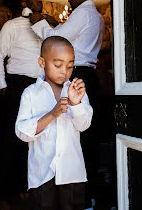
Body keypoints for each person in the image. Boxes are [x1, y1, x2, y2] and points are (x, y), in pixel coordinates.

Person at [29, 0, 104, 209]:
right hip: (88, 73)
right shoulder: (97, 16)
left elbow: (58, 39)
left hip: (78, 73)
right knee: (85, 134)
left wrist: (39, 22)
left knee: (73, 132)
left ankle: (72, 192)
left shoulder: (83, 13)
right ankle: (87, 194)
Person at [15, 36, 93, 210]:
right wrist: (51, 114)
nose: (64, 71)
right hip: (42, 175)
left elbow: (84, 125)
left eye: (70, 65)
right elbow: (22, 132)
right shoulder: (30, 94)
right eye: (58, 65)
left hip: (72, 173)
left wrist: (76, 104)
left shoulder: (77, 91)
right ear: (42, 62)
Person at [0, 0, 52, 210]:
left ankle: (23, 186)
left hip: (39, 87)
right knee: (10, 139)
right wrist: (3, 86)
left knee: (34, 138)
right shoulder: (12, 25)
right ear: (24, 2)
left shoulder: (46, 28)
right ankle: (2, 194)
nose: (39, 0)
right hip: (16, 86)